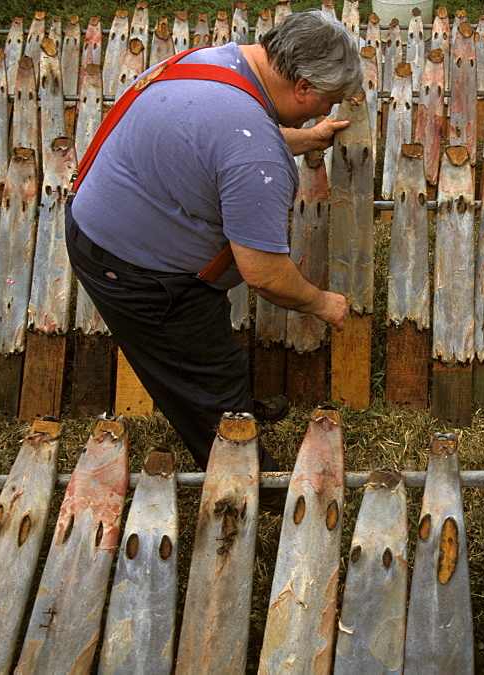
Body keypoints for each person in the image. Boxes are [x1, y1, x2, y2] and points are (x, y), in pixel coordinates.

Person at [66, 11, 361, 492]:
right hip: (132, 270)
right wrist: (321, 303)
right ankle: (244, 479)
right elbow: (264, 273)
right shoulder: (254, 152)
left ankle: (233, 404)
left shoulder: (218, 63)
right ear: (303, 87)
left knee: (212, 350)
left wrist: (305, 139)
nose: (318, 112)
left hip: (106, 224)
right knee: (207, 377)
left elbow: (223, 138)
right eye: (323, 103)